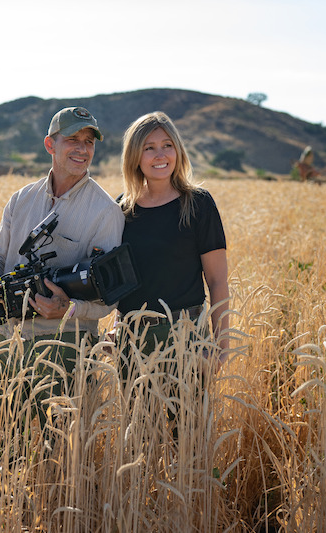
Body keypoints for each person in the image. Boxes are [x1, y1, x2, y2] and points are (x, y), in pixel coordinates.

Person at [0, 106, 124, 431]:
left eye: (89, 141)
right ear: (50, 145)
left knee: (64, 458)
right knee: (0, 448)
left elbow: (109, 298)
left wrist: (68, 307)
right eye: (72, 139)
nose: (82, 148)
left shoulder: (106, 212)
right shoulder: (20, 199)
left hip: (67, 352)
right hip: (9, 344)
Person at [116, 111, 230, 384]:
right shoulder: (122, 208)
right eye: (149, 148)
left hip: (187, 337)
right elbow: (120, 279)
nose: (160, 155)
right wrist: (117, 327)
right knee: (139, 426)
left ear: (178, 150)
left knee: (190, 427)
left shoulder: (198, 204)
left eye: (168, 146)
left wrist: (221, 346)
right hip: (133, 341)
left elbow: (217, 280)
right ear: (135, 156)